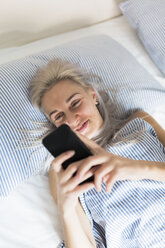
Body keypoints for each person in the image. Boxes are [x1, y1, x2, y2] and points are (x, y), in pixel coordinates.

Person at [29, 58, 165, 248]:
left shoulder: (138, 122)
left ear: (93, 95)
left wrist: (133, 167)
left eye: (75, 103)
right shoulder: (64, 170)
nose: (71, 119)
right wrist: (66, 210)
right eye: (59, 116)